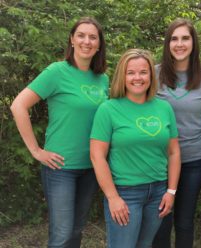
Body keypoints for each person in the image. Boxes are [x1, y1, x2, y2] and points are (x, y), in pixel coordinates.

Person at [10, 17, 109, 248]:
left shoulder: (102, 78)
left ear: (99, 44)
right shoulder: (57, 71)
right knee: (62, 233)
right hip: (60, 167)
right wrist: (36, 150)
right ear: (72, 40)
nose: (87, 41)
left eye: (92, 37)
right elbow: (18, 106)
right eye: (81, 35)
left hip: (92, 166)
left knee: (76, 229)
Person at [90, 49, 181, 248]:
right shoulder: (108, 109)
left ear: (151, 75)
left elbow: (174, 152)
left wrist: (171, 191)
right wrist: (113, 197)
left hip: (158, 192)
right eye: (131, 73)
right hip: (125, 192)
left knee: (144, 245)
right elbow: (97, 156)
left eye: (143, 72)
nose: (137, 78)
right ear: (122, 76)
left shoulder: (164, 108)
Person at [152, 19, 201, 248]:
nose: (179, 44)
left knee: (184, 221)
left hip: (194, 160)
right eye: (174, 39)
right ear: (167, 43)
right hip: (159, 161)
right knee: (161, 220)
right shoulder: (154, 74)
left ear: (194, 43)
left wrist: (198, 141)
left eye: (185, 38)